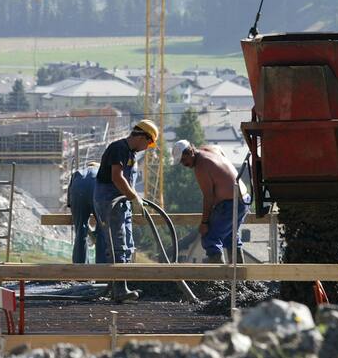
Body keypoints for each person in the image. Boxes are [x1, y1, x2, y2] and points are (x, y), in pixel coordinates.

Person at [93, 119, 159, 303]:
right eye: (148, 143)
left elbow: (127, 181)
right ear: (142, 137)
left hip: (122, 202)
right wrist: (133, 197)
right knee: (118, 245)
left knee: (128, 245)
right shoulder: (118, 148)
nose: (147, 148)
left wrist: (132, 198)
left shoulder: (130, 153)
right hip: (110, 202)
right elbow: (117, 177)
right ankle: (119, 289)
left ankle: (121, 286)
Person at [171, 140, 249, 264]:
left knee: (209, 237)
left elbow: (208, 197)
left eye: (184, 159)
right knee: (231, 236)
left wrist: (205, 222)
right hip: (243, 199)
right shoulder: (209, 149)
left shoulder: (201, 167)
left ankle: (216, 274)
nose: (184, 164)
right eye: (181, 161)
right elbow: (220, 150)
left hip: (230, 203)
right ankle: (239, 273)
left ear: (191, 152)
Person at [67, 162, 106, 264]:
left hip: (78, 189)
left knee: (80, 231)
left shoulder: (77, 173)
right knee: (103, 229)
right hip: (98, 186)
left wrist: (82, 223)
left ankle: (80, 268)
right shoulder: (101, 172)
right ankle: (102, 268)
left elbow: (70, 203)